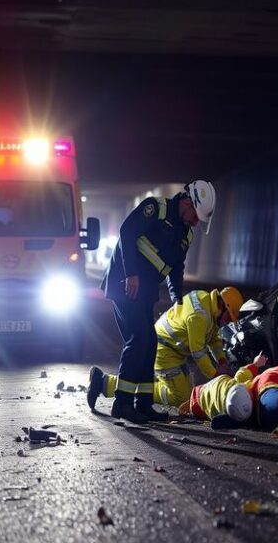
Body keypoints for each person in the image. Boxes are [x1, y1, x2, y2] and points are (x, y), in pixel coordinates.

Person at [97, 180, 216, 424]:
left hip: (146, 293)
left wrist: (176, 295)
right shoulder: (155, 208)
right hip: (124, 286)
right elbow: (127, 232)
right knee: (139, 339)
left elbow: (176, 266)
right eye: (195, 215)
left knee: (150, 343)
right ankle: (121, 404)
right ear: (186, 202)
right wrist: (131, 273)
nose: (195, 222)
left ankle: (143, 404)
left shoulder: (186, 233)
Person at [88, 287, 243, 416]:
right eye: (229, 317)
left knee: (188, 395)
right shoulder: (199, 317)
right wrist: (217, 376)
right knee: (179, 397)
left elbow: (214, 340)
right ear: (224, 306)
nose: (228, 322)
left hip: (172, 349)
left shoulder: (207, 303)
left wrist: (222, 361)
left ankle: (108, 382)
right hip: (164, 351)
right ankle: (104, 383)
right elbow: (199, 353)